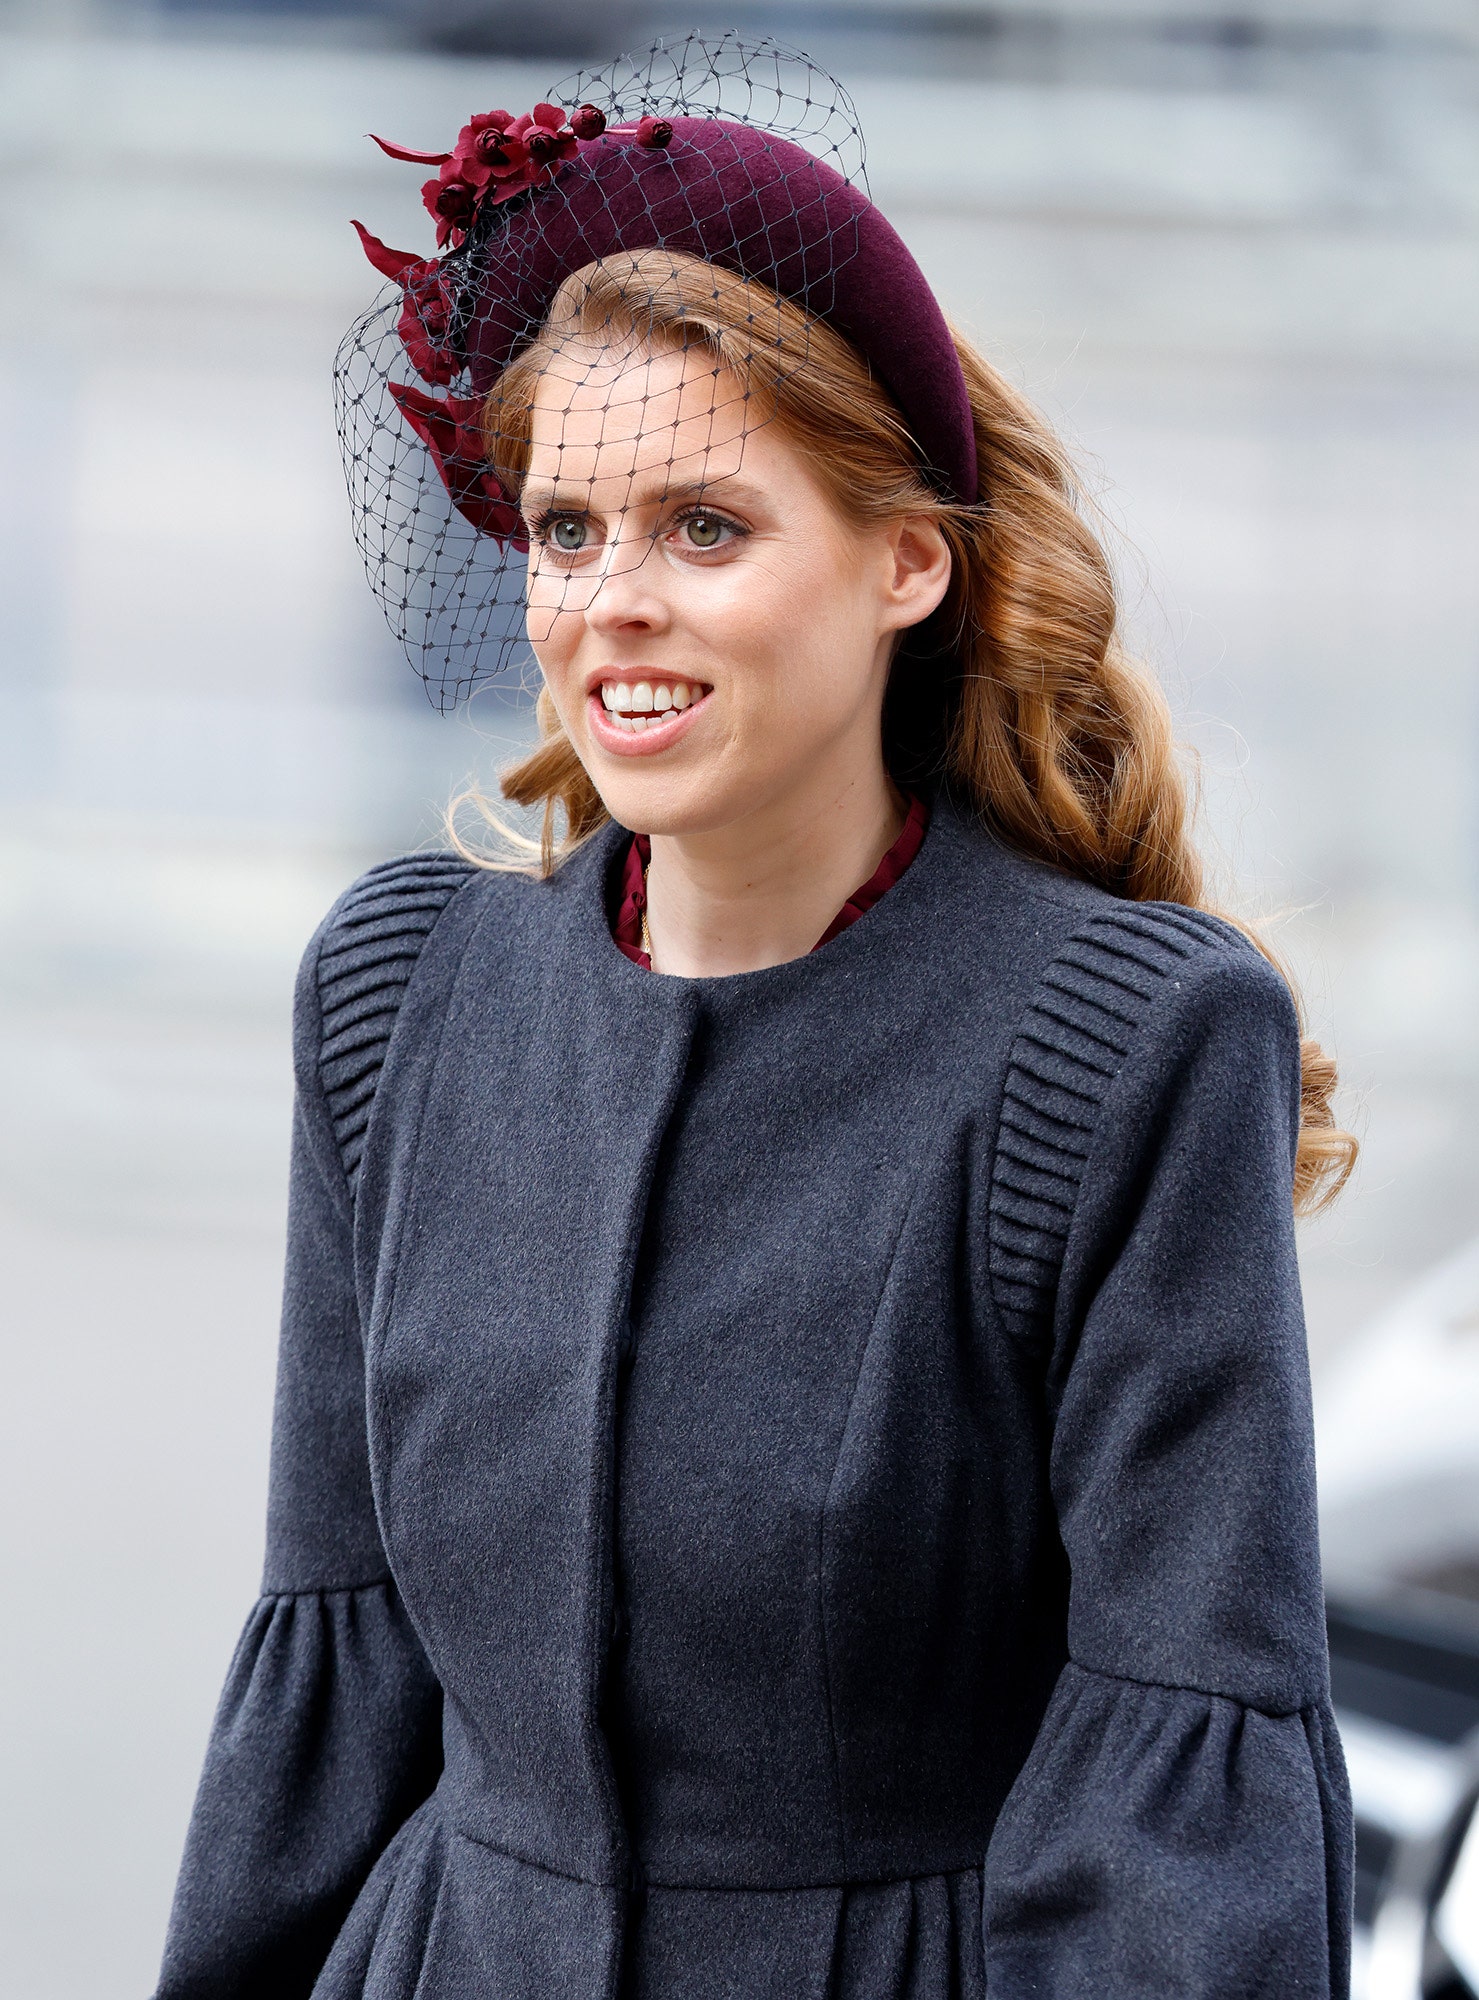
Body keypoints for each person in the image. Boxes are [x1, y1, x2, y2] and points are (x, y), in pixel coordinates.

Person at [156, 41, 1357, 2000]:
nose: (611, 600)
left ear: (903, 562)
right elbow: (340, 1667)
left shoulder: (1128, 1048)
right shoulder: (397, 997)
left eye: (703, 527)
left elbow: (1178, 1801)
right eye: (566, 529)